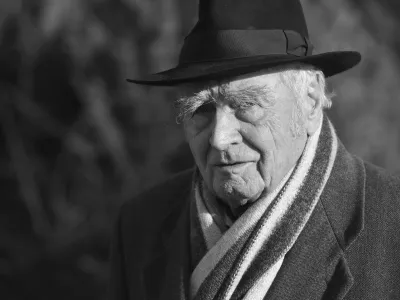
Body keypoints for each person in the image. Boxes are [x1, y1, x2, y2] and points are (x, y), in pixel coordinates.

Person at [109, 0, 400, 299]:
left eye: (246, 105)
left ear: (311, 100)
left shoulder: (391, 226)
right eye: (202, 109)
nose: (220, 139)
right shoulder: (139, 227)